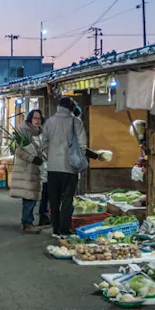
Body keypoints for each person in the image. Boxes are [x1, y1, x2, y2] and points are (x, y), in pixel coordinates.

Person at [41, 97, 108, 237]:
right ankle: (64, 230)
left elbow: (44, 144)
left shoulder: (49, 122)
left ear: (59, 106)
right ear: (71, 107)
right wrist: (92, 156)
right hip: (69, 168)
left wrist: (51, 156)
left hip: (52, 167)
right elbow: (82, 146)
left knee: (53, 199)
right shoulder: (75, 122)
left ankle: (55, 229)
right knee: (67, 200)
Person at [10, 110, 44, 234]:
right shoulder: (24, 132)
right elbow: (19, 151)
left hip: (35, 169)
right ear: (30, 119)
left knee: (31, 197)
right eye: (35, 118)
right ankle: (27, 223)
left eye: (39, 118)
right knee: (29, 197)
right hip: (26, 169)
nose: (37, 120)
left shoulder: (40, 132)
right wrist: (33, 159)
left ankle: (27, 221)